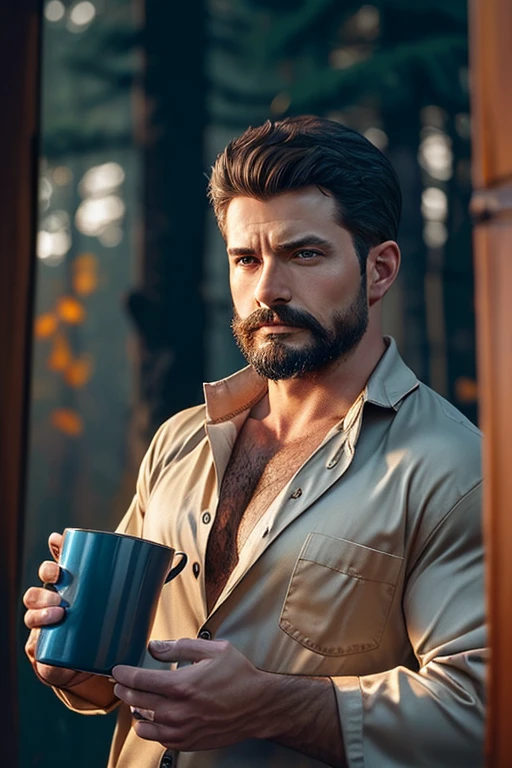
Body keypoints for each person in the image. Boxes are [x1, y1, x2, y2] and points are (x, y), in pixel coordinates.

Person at [23, 116, 485, 768]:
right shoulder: (179, 441)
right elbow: (124, 665)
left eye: (304, 254)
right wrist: (76, 664)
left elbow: (481, 715)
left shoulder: (455, 468)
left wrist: (273, 704)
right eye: (246, 259)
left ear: (378, 270)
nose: (267, 290)